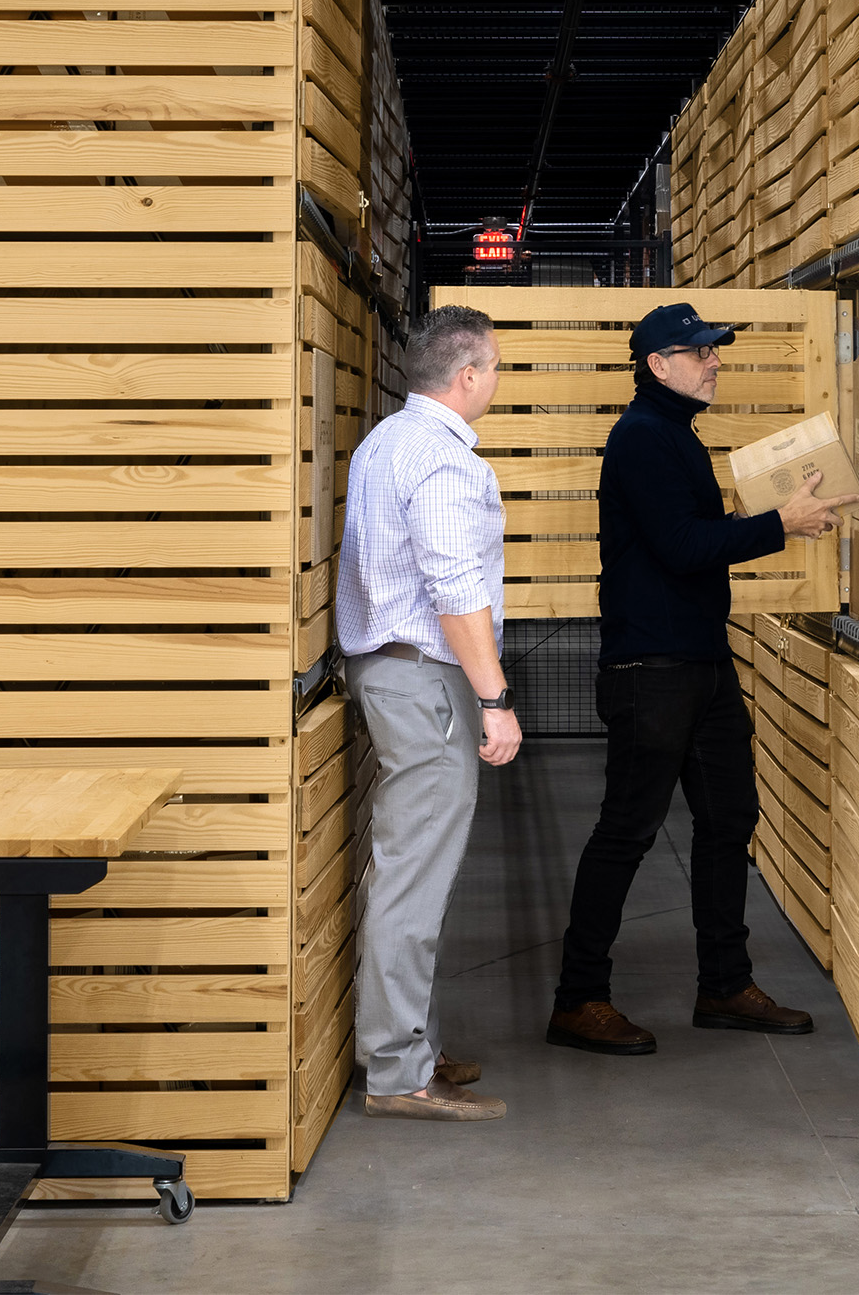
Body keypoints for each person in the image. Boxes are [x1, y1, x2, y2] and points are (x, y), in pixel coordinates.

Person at [546, 302, 857, 1055]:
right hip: (651, 668)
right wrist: (781, 522)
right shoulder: (643, 439)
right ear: (658, 365)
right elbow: (683, 546)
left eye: (714, 350)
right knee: (627, 830)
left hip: (700, 661)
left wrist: (776, 517)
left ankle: (724, 984)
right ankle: (578, 998)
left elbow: (691, 543)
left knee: (729, 820)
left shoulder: (677, 436)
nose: (715, 361)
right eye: (700, 352)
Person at [338, 304, 521, 1120]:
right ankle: (399, 1072)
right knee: (416, 875)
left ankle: (411, 1042)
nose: (495, 382)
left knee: (411, 867)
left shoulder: (386, 441)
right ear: (468, 375)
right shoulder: (444, 463)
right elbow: (455, 589)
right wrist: (494, 699)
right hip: (427, 682)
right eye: (495, 368)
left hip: (393, 675)